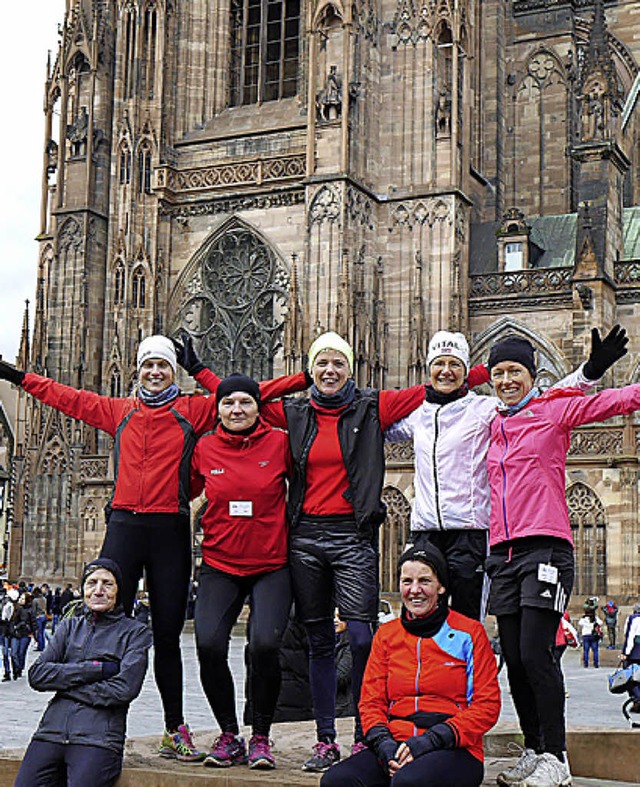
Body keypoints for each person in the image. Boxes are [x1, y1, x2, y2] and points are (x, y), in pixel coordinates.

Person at [0, 334, 306, 761]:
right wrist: (17, 377)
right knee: (106, 627)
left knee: (166, 636)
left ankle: (173, 728)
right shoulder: (119, 411)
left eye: (163, 365)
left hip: (170, 528)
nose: (156, 372)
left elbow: (243, 394)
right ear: (137, 370)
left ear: (172, 371)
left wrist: (305, 376)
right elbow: (65, 397)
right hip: (124, 523)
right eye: (148, 366)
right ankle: (99, 724)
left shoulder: (193, 409)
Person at [251, 331, 434, 770]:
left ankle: (362, 733)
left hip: (353, 536)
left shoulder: (372, 406)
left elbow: (436, 387)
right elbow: (243, 398)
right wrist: (294, 379)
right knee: (317, 639)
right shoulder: (294, 411)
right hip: (306, 536)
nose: (330, 370)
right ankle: (325, 739)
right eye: (321, 363)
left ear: (351, 369)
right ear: (311, 368)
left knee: (360, 636)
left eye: (338, 363)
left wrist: (486, 370)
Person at [385, 327, 627, 620]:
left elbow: (542, 400)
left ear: (466, 371)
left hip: (470, 531)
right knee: (422, 618)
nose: (446, 371)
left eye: (455, 365)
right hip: (425, 531)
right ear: (428, 369)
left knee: (465, 621)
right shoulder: (417, 415)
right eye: (439, 363)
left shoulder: (486, 408)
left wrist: (589, 372)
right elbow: (375, 427)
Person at [484, 334, 640, 787]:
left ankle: (557, 757)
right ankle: (534, 750)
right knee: (513, 658)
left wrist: (593, 372)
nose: (507, 379)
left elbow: (611, 401)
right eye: (499, 373)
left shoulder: (553, 409)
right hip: (503, 553)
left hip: (546, 547)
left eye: (516, 371)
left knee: (537, 653)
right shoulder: (494, 424)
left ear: (533, 375)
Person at [320, 544, 500, 787]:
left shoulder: (470, 633)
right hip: (396, 743)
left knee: (409, 782)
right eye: (407, 581)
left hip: (455, 748)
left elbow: (487, 706)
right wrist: (383, 743)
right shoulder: (386, 635)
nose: (415, 590)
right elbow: (371, 701)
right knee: (336, 780)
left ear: (441, 586)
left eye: (425, 581)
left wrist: (434, 738)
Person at [189, 373, 293, 770]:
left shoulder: (280, 442)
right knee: (209, 644)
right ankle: (229, 734)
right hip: (220, 564)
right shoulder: (204, 448)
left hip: (271, 565)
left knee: (265, 645)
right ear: (217, 409)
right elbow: (186, 491)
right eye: (228, 403)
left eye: (245, 402)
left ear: (258, 406)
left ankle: (261, 736)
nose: (236, 410)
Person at [14, 558, 152, 787]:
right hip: (50, 732)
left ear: (119, 590)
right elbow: (37, 675)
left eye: (107, 584)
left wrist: (64, 684)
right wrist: (96, 669)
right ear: (83, 589)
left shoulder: (135, 633)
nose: (98, 591)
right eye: (92, 583)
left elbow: (123, 689)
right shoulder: (69, 627)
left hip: (99, 739)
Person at [621, 602, 640, 712]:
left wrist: (625, 653)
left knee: (631, 677)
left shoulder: (634, 619)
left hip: (636, 652)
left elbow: (629, 636)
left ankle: (637, 699)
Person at [12, 591, 36, 678]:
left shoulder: (30, 610)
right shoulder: (16, 608)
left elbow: (33, 623)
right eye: (20, 598)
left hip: (25, 633)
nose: (20, 600)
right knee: (14, 653)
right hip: (16, 632)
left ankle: (19, 669)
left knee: (21, 653)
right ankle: (16, 668)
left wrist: (34, 635)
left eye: (22, 598)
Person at [1, 587, 20, 681]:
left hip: (14, 633)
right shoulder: (4, 606)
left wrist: (16, 627)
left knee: (13, 654)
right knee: (5, 654)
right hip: (5, 632)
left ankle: (16, 670)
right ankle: (7, 672)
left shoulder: (19, 609)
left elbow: (23, 621)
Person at [578, 603, 603, 668]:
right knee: (595, 650)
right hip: (593, 635)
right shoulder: (595, 618)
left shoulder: (584, 619)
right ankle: (596, 664)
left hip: (585, 635)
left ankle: (586, 664)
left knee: (586, 650)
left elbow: (580, 623)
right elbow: (601, 623)